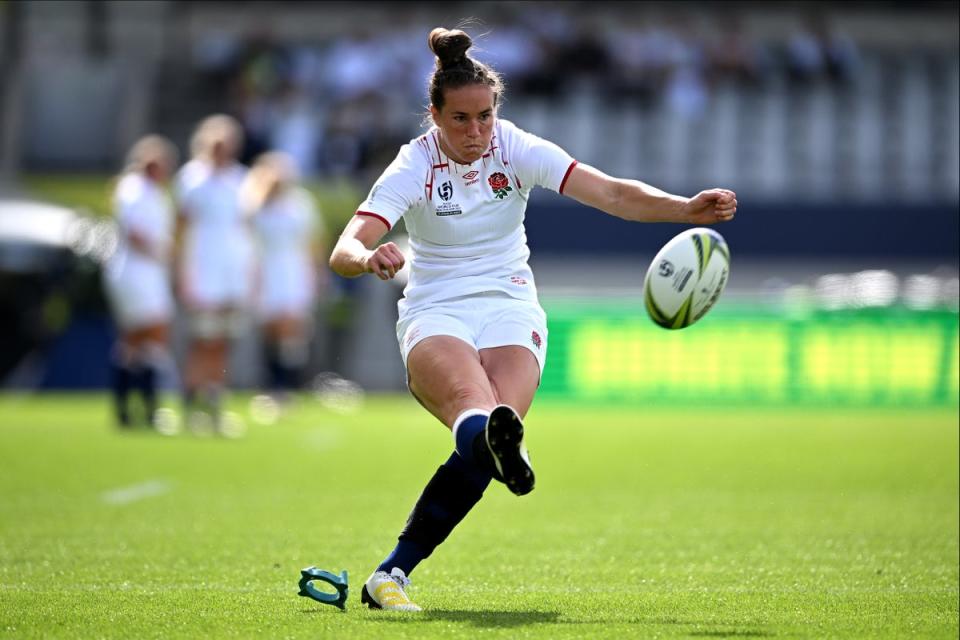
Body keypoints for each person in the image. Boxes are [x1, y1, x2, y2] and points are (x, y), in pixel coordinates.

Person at [328, 27, 737, 612]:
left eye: (485, 117)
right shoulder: (411, 165)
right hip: (436, 305)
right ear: (434, 116)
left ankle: (391, 574)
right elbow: (345, 247)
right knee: (477, 409)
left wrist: (682, 208)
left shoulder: (514, 146)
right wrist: (370, 257)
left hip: (510, 303)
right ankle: (398, 568)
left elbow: (613, 194)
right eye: (461, 120)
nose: (475, 132)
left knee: (496, 432)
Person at [173, 114, 254, 431]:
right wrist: (182, 272)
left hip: (232, 272)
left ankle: (214, 401)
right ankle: (192, 402)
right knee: (202, 339)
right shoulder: (191, 179)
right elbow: (180, 229)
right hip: (203, 270)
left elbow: (245, 229)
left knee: (223, 340)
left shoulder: (241, 179)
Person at [102, 134, 180, 429]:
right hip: (136, 271)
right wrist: (162, 250)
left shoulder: (156, 193)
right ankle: (142, 406)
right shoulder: (133, 189)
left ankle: (131, 409)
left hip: (147, 272)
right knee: (150, 335)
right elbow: (135, 233)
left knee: (136, 341)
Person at [241, 151, 326, 403]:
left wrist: (317, 272)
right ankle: (270, 386)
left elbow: (312, 241)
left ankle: (288, 386)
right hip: (266, 269)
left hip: (293, 269)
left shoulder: (301, 203)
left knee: (291, 331)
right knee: (270, 330)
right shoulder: (255, 204)